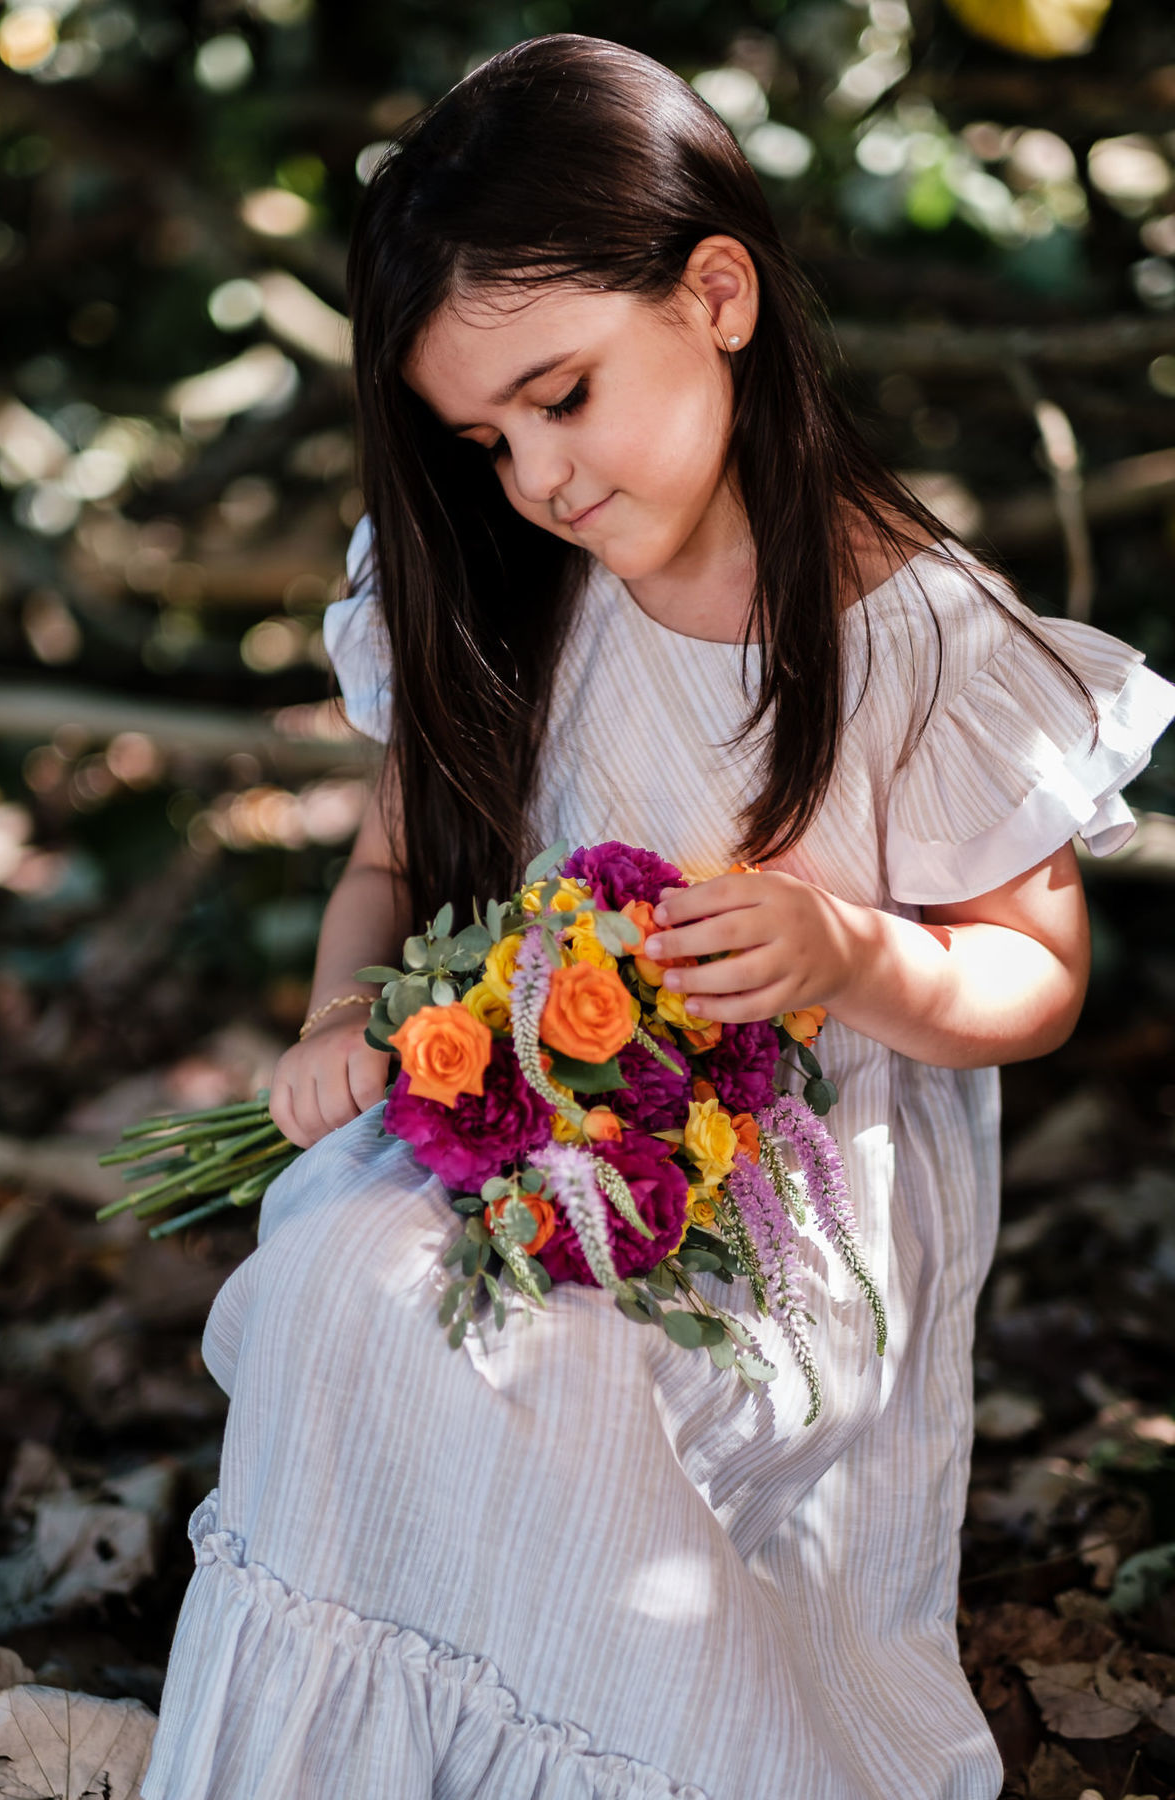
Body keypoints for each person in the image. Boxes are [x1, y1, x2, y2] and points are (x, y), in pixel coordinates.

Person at [140, 35, 1175, 1800]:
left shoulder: (919, 635)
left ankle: (627, 1738)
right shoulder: (517, 592)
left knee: (568, 1371)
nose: (536, 475)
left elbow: (1040, 971)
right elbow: (388, 865)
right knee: (340, 1282)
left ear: (716, 296)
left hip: (776, 1209)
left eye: (562, 395)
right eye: (488, 440)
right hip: (525, 1133)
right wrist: (334, 1016)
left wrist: (854, 953)